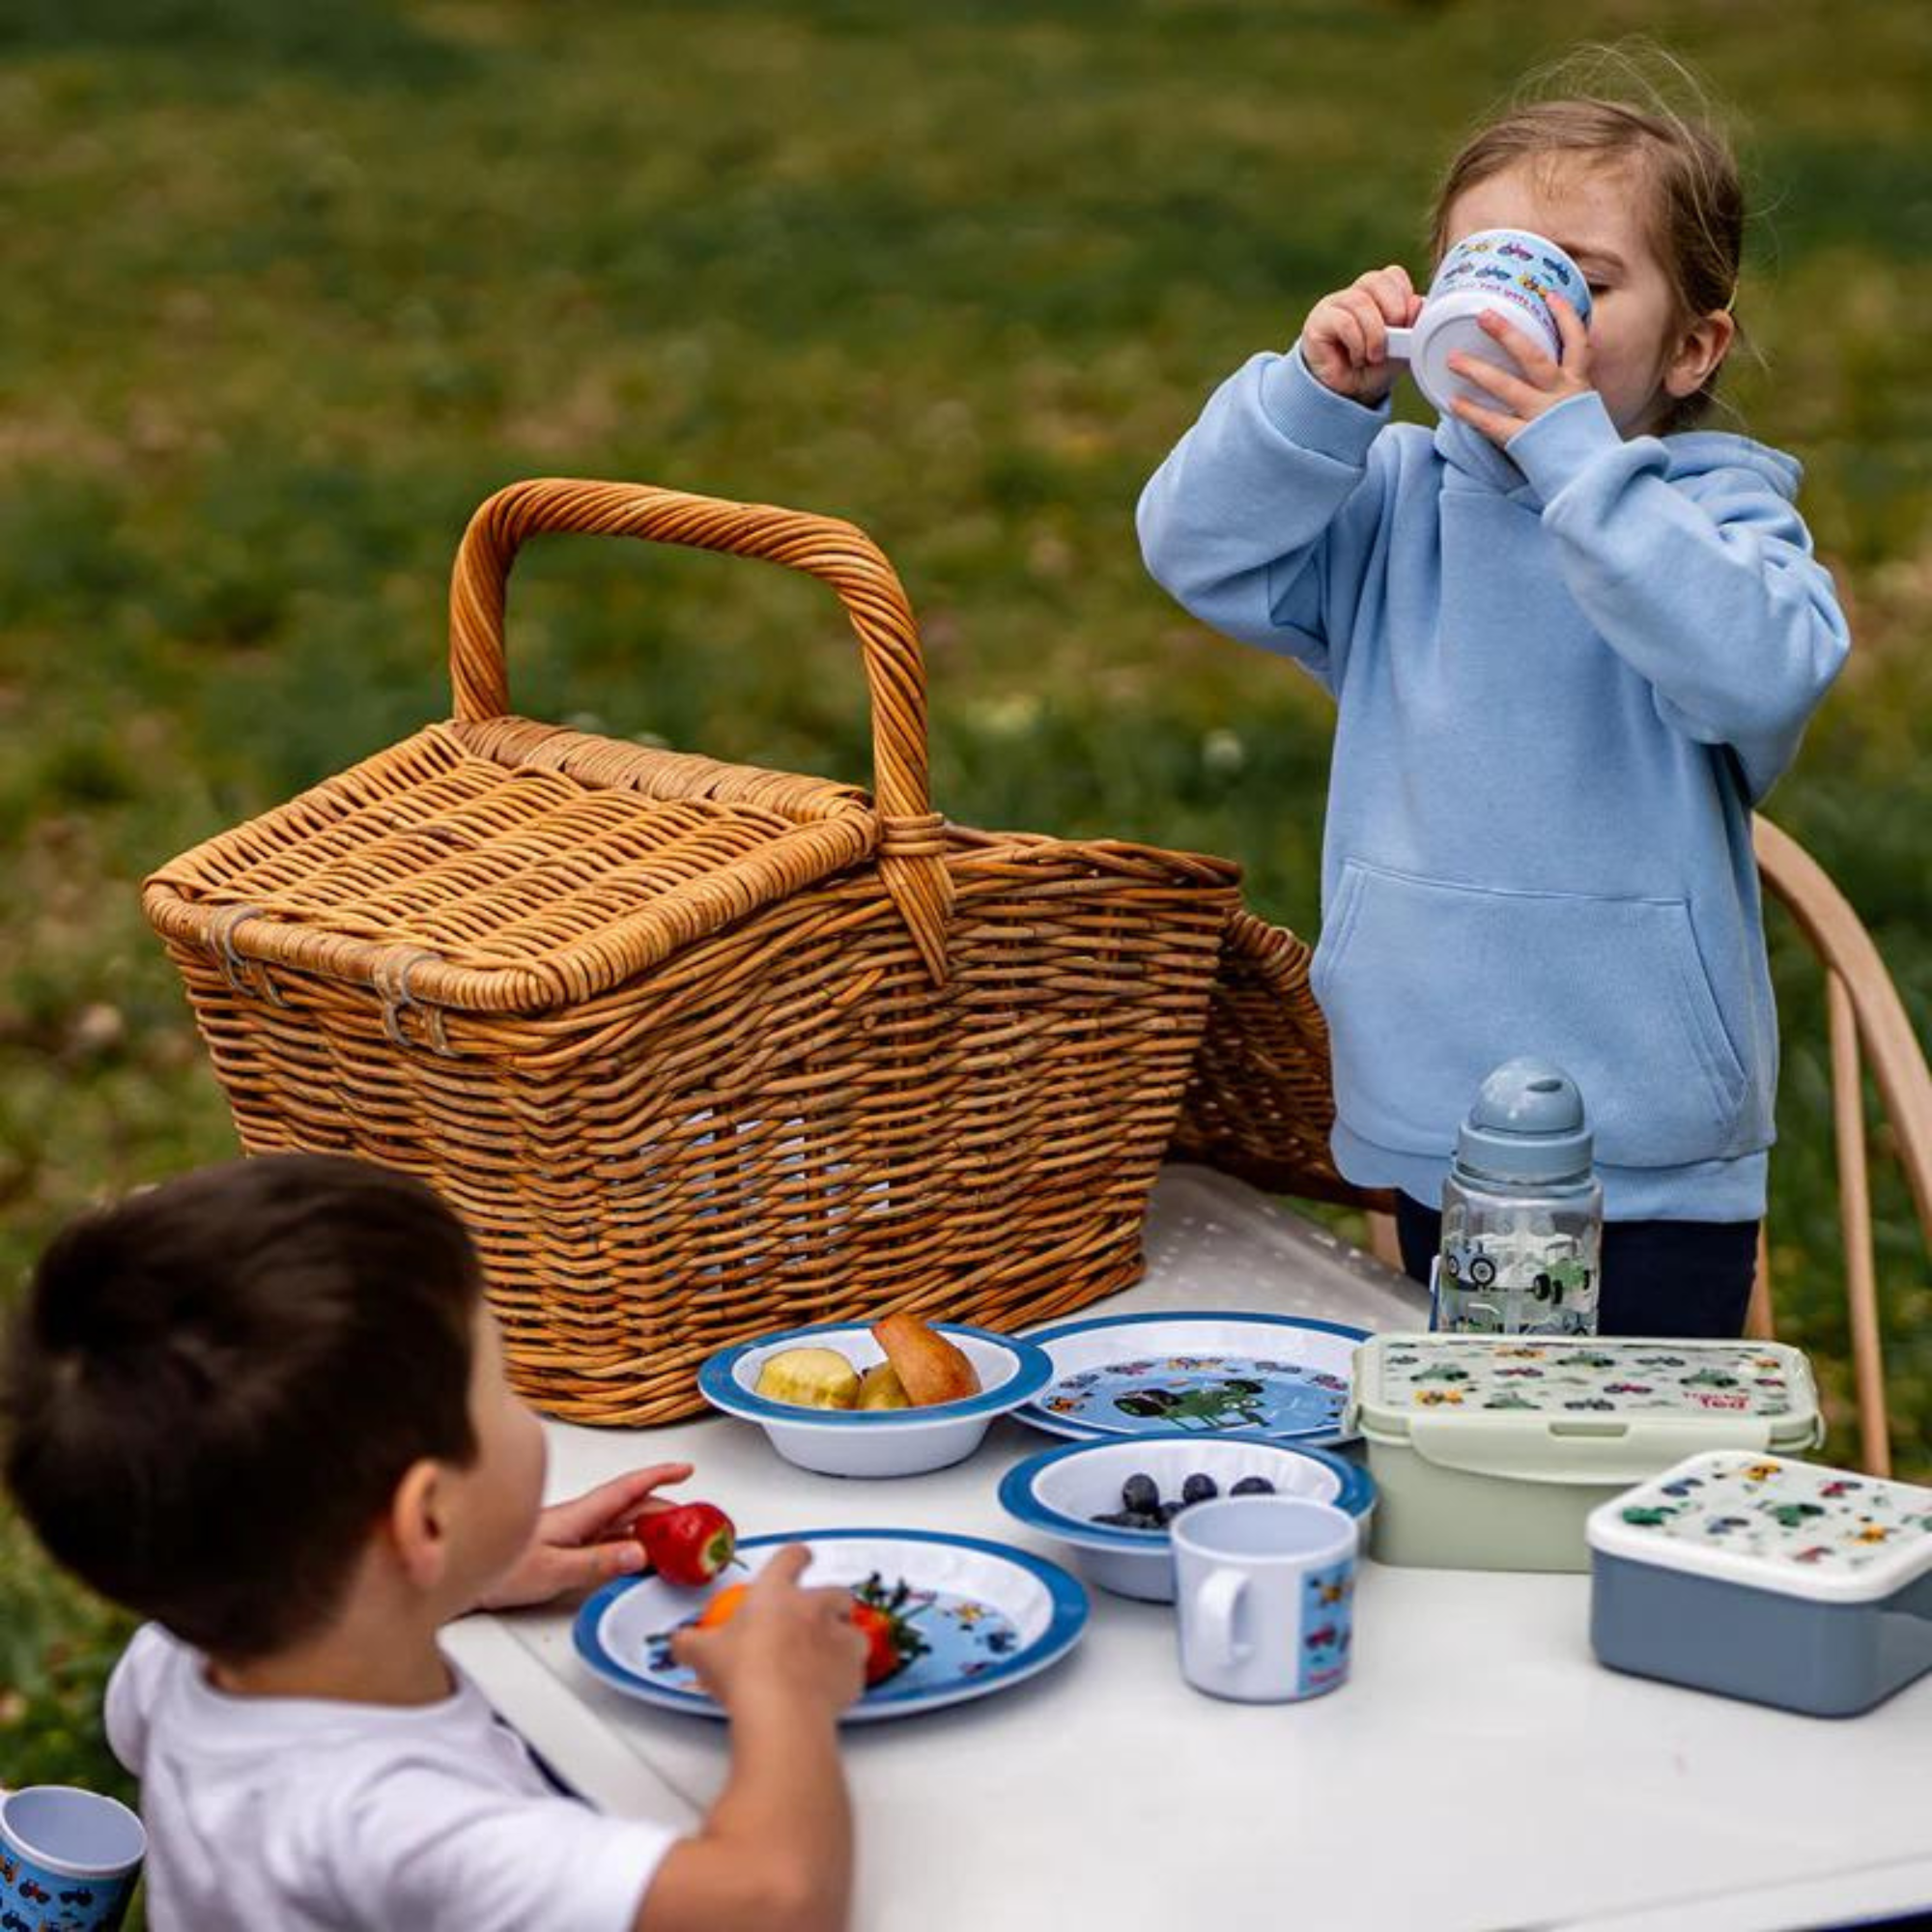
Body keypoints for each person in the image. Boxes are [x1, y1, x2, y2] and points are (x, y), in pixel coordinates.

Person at [1136, 50, 1850, 1338]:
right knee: (1461, 1458)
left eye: (1582, 280)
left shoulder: (1710, 513)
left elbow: (1763, 666)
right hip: (1430, 1106)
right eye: (1490, 268)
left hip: (1650, 1142)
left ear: (1693, 347)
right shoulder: (1398, 501)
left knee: (1633, 1466)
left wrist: (1579, 462)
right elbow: (1196, 550)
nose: (1528, 309)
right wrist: (1314, 401)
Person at [0, 1152, 867, 1932]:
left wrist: (451, 1578)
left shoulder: (173, 1664)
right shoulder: (400, 1827)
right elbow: (776, 1900)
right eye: (502, 1386)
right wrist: (782, 1695)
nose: (521, 1408)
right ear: (424, 1517)